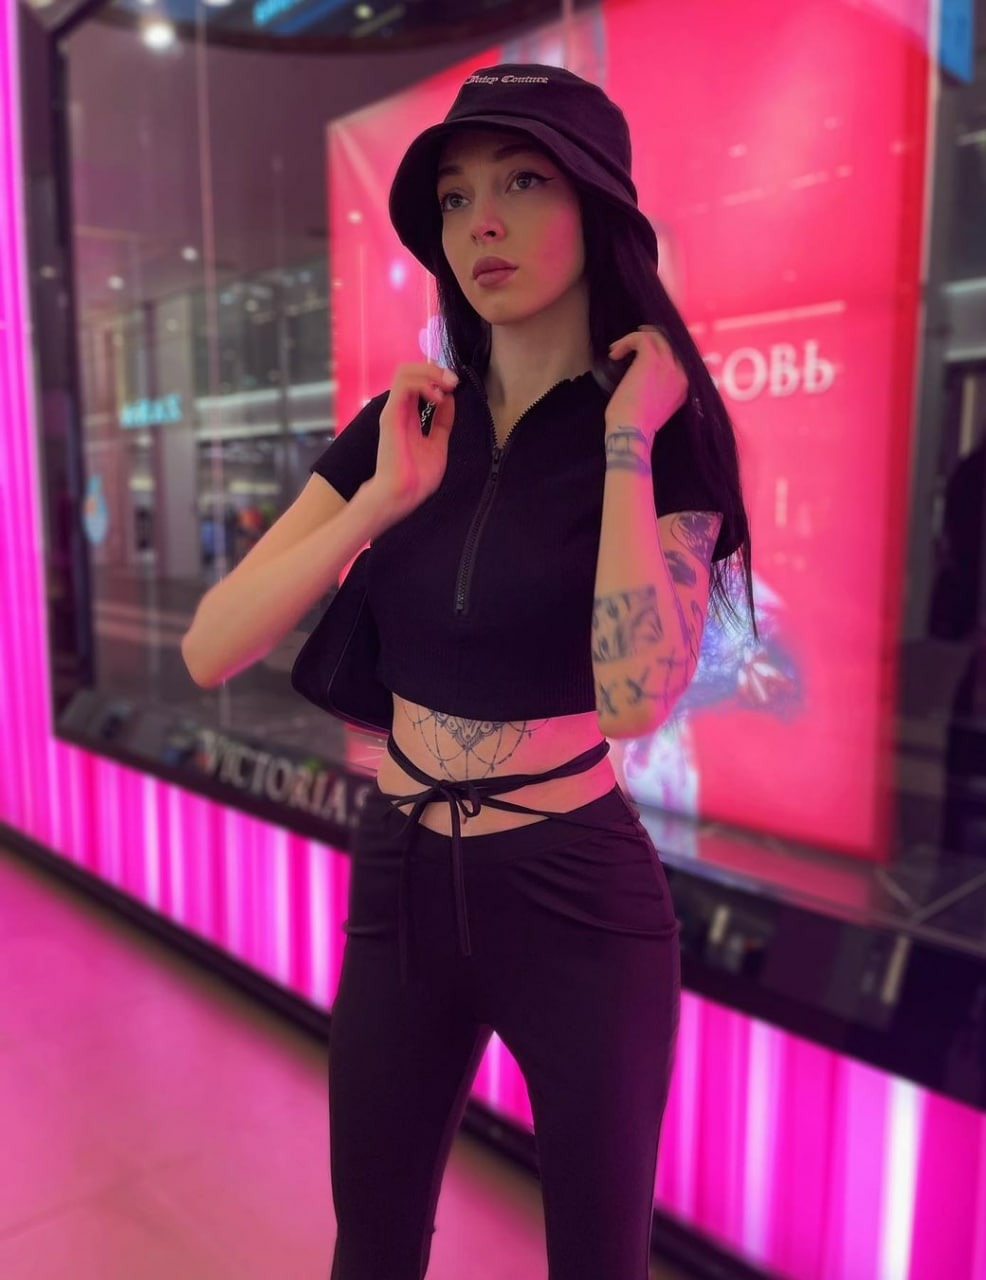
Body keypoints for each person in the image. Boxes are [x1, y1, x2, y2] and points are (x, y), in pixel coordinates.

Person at [182, 62, 754, 1280]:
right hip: (400, 871)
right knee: (372, 1244)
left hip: (576, 896)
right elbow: (210, 642)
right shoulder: (407, 422)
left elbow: (632, 699)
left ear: (597, 209)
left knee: (598, 1260)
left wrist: (624, 437)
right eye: (454, 196)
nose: (481, 221)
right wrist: (376, 504)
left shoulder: (663, 439)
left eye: (523, 182)